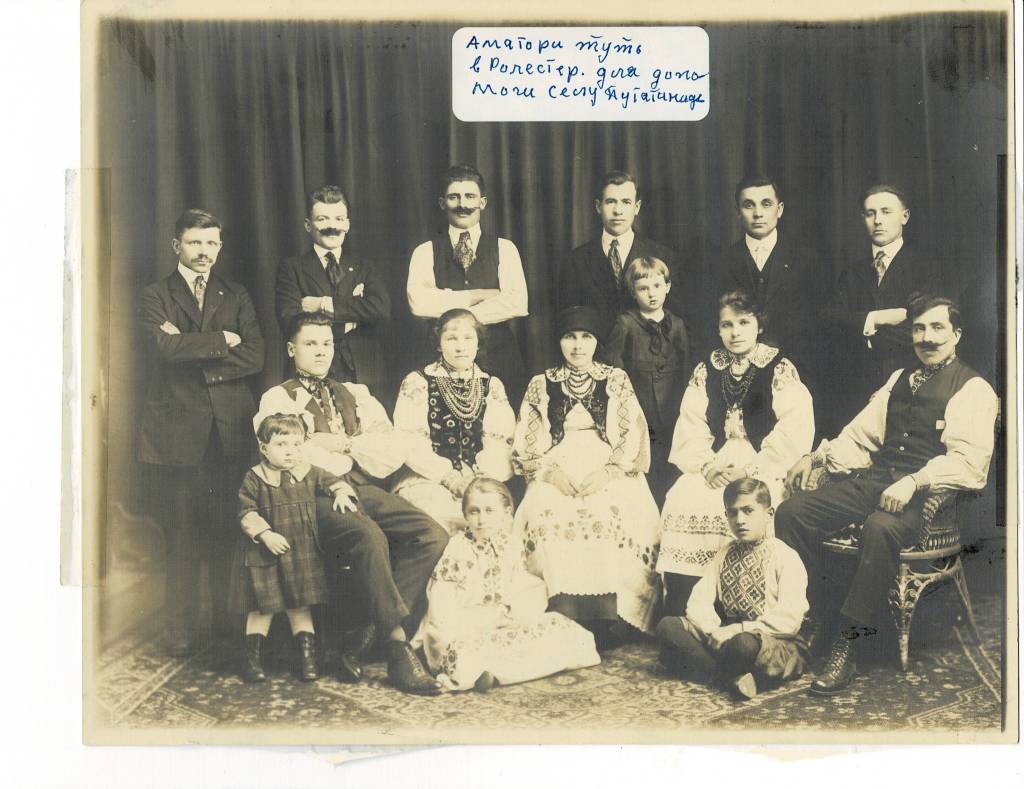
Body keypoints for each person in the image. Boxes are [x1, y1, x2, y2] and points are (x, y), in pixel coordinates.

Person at [776, 294, 998, 696]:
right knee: (792, 513)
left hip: (925, 499)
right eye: (919, 328)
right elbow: (859, 436)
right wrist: (816, 457)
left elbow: (969, 463)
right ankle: (822, 614)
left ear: (957, 334)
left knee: (880, 527)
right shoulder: (898, 379)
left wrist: (915, 481)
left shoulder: (973, 388)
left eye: (937, 328)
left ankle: (849, 643)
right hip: (875, 482)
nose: (927, 338)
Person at [257, 312, 448, 695]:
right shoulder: (278, 398)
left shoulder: (355, 393)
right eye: (310, 344)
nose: (321, 352)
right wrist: (351, 450)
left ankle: (365, 628)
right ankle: (396, 646)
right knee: (368, 535)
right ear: (292, 349)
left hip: (360, 488)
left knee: (432, 534)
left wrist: (342, 444)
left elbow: (389, 451)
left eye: (326, 343)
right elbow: (294, 456)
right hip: (309, 497)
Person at [138, 208, 265, 655]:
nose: (204, 252)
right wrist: (220, 340)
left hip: (229, 431)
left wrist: (189, 347)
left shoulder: (236, 293)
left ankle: (227, 629)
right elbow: (162, 349)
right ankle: (180, 629)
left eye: (212, 243)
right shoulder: (155, 295)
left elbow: (255, 356)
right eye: (195, 243)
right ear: (177, 246)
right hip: (177, 434)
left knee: (227, 532)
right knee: (182, 533)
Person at [656, 290, 814, 617]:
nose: (736, 332)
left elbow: (794, 426)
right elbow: (692, 422)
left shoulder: (778, 367)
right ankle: (685, 607)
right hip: (718, 459)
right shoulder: (708, 368)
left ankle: (746, 605)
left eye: (744, 323)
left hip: (764, 462)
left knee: (753, 502)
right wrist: (707, 466)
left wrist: (753, 469)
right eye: (727, 325)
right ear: (718, 329)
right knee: (684, 495)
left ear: (759, 326)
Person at [512, 305, 661, 644]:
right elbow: (528, 441)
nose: (577, 346)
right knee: (547, 507)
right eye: (569, 337)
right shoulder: (541, 383)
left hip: (607, 460)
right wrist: (550, 474)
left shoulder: (615, 379)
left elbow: (630, 435)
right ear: (559, 342)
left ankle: (609, 613)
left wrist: (609, 471)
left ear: (596, 342)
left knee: (611, 507)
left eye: (586, 337)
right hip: (556, 462)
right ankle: (564, 606)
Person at [414, 478, 601, 692]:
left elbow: (522, 588)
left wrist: (515, 614)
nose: (481, 520)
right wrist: (483, 621)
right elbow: (441, 607)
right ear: (465, 515)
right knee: (465, 651)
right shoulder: (458, 548)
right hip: (464, 625)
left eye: (489, 511)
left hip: (503, 621)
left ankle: (498, 671)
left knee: (563, 632)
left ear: (506, 512)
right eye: (474, 511)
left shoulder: (511, 545)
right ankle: (489, 673)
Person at [656, 478, 810, 700]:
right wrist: (712, 631)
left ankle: (706, 668)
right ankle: (730, 678)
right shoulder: (725, 553)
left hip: (769, 641)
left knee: (743, 645)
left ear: (769, 514)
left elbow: (789, 620)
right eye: (732, 513)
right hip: (726, 637)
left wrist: (736, 630)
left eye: (748, 511)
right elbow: (699, 601)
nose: (740, 520)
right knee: (667, 625)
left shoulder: (785, 556)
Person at [230, 413, 356, 683]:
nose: (291, 452)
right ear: (264, 448)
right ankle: (250, 658)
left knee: (300, 607)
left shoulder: (309, 472)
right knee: (263, 609)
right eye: (281, 445)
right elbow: (246, 512)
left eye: (296, 445)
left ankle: (307, 659)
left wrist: (342, 492)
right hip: (267, 554)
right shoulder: (255, 478)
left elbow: (335, 481)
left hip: (301, 554)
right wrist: (264, 534)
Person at [407, 164, 528, 404]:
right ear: (443, 203)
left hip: (499, 357)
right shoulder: (424, 251)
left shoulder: (505, 248)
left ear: (482, 202)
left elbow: (516, 303)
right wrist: (477, 295)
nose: (462, 204)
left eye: (470, 196)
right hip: (442, 359)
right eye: (454, 197)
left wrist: (447, 304)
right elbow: (419, 303)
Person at [392, 309, 516, 534]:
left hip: (480, 478)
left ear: (478, 343)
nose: (460, 346)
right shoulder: (418, 382)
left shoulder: (491, 385)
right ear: (438, 344)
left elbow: (501, 441)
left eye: (468, 338)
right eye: (451, 338)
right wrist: (449, 478)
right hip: (428, 479)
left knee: (495, 521)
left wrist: (481, 477)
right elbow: (410, 442)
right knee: (440, 519)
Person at [822, 184, 931, 433]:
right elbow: (829, 322)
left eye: (886, 211)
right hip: (855, 390)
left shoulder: (925, 269)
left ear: (905, 216)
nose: (878, 220)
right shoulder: (852, 273)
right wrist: (879, 317)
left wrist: (863, 333)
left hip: (909, 386)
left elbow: (919, 332)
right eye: (870, 213)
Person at [276, 184, 391, 396]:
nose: (332, 226)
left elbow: (380, 309)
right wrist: (352, 318)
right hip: (311, 371)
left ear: (347, 224)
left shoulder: (364, 266)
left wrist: (322, 305)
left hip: (365, 370)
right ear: (308, 225)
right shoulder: (291, 268)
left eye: (339, 219)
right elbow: (291, 319)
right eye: (322, 219)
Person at [605, 256, 691, 504]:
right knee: (648, 457)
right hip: (641, 404)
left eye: (657, 286)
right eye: (643, 288)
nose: (651, 294)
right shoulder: (625, 323)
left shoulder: (676, 324)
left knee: (671, 458)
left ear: (668, 287)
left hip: (672, 404)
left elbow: (686, 365)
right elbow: (615, 366)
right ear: (633, 291)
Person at [717, 175, 816, 375]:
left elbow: (815, 323)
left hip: (796, 368)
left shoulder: (807, 259)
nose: (758, 213)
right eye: (748, 205)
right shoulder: (722, 261)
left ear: (779, 210)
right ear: (737, 212)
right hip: (738, 372)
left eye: (766, 204)